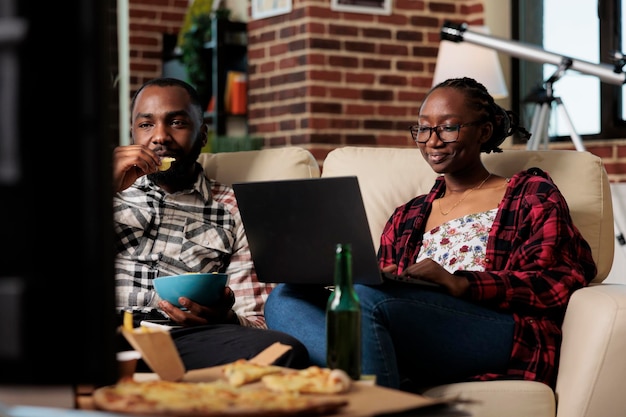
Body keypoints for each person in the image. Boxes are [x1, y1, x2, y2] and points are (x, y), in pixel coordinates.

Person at [264, 77, 597, 391]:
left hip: (500, 328)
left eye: (448, 128)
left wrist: (463, 283)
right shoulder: (406, 215)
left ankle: (373, 393)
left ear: (484, 131)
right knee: (286, 296)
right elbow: (384, 299)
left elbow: (558, 281)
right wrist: (389, 279)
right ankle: (377, 376)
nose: (432, 141)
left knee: (365, 299)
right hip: (408, 332)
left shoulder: (529, 193)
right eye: (423, 129)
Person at [113, 77, 309, 370]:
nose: (160, 136)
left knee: (282, 351)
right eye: (146, 125)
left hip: (183, 338)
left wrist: (224, 318)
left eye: (177, 122)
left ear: (202, 135)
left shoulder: (234, 208)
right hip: (101, 328)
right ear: (132, 133)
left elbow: (256, 319)